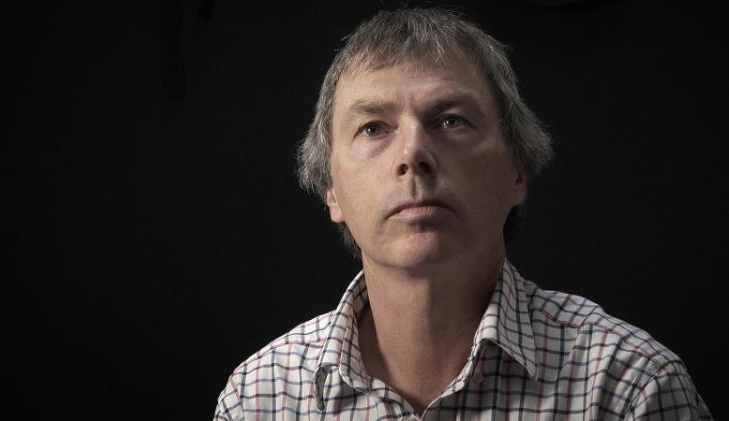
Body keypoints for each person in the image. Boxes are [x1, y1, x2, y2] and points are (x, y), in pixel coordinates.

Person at [214, 7, 712, 420]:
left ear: (517, 172)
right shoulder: (259, 400)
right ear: (332, 194)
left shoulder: (631, 390)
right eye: (372, 128)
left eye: (450, 120)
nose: (413, 153)